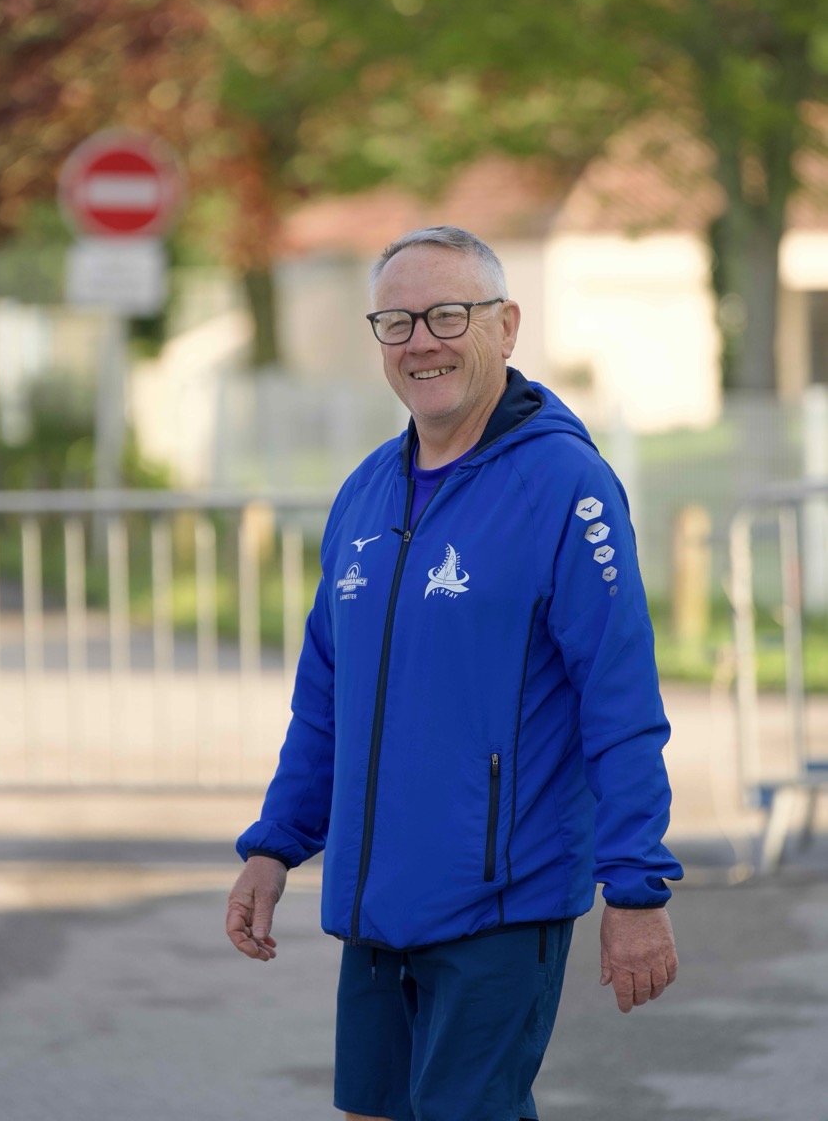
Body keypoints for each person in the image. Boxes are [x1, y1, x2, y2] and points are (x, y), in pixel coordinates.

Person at [226, 225, 683, 1121]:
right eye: (395, 322)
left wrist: (635, 888)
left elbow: (618, 700)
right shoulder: (366, 491)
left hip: (499, 903)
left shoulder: (566, 485)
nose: (420, 342)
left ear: (504, 326)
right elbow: (324, 699)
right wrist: (276, 844)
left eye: (446, 315)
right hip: (375, 902)